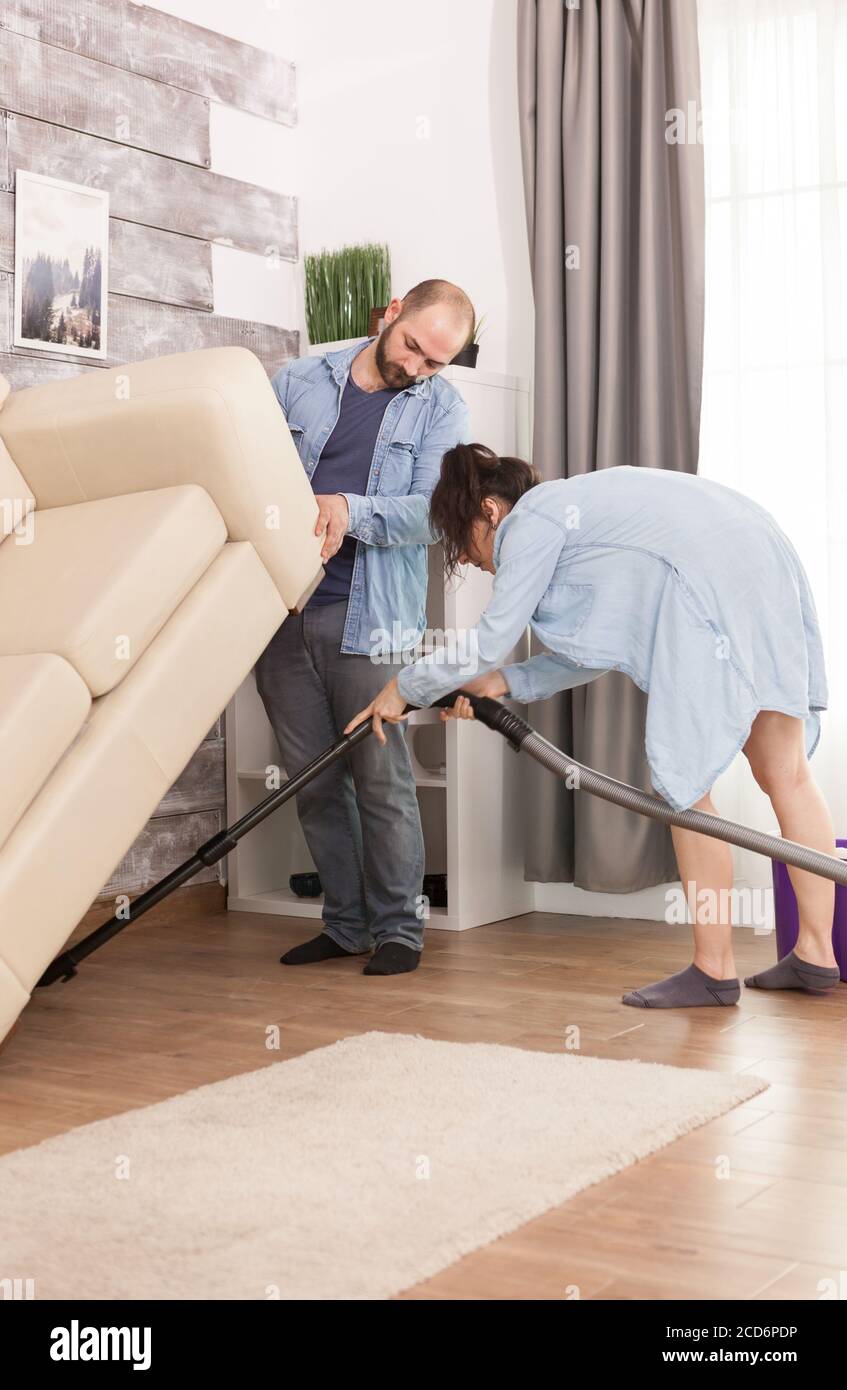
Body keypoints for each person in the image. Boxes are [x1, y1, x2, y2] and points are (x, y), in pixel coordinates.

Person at [346, 443, 840, 1006]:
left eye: (468, 547)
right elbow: (599, 644)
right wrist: (505, 684)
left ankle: (714, 969)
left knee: (683, 787)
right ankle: (816, 955)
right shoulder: (582, 513)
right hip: (759, 556)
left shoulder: (531, 519)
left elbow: (486, 640)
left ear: (489, 510)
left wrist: (401, 688)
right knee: (788, 774)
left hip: (708, 580)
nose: (479, 564)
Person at [256, 281, 472, 976]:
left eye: (435, 362)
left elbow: (436, 514)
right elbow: (251, 478)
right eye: (412, 346)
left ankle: (399, 931)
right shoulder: (297, 380)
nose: (415, 368)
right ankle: (345, 924)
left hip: (374, 620)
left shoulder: (443, 409)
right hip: (280, 612)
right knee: (310, 782)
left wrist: (350, 509)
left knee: (380, 780)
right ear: (389, 312)